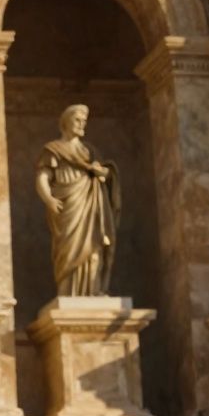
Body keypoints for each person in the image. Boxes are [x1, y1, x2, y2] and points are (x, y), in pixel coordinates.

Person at [34, 104, 121, 297]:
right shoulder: (54, 149)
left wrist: (102, 171)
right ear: (66, 122)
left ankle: (94, 289)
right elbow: (43, 177)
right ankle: (68, 292)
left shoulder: (89, 151)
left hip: (91, 204)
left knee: (95, 244)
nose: (82, 124)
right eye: (77, 120)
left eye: (84, 121)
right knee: (68, 247)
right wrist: (48, 199)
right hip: (67, 204)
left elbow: (105, 173)